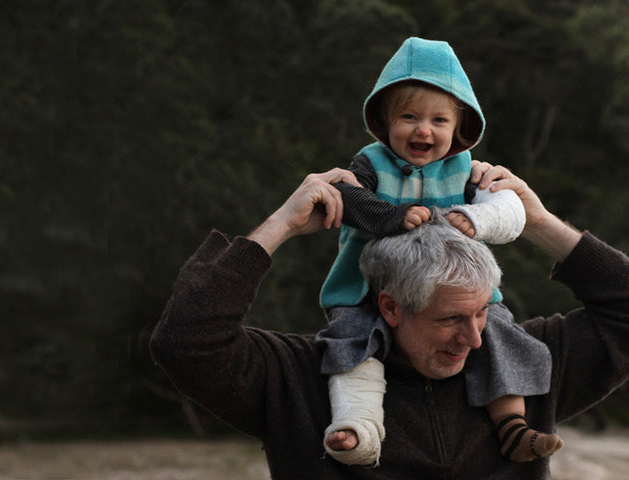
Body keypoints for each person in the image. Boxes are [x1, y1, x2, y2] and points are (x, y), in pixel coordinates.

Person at [148, 164, 629, 479]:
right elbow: (187, 343)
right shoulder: (302, 381)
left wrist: (537, 222)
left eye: (483, 312)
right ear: (390, 307)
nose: (475, 338)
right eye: (450, 319)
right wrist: (282, 225)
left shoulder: (524, 361)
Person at [318, 36, 557, 465]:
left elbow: (509, 209)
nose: (423, 130)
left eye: (439, 120)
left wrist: (479, 219)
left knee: (497, 332)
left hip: (453, 291)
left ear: (459, 128)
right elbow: (343, 195)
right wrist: (391, 217)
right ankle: (358, 427)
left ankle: (512, 425)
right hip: (367, 288)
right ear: (385, 121)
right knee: (352, 344)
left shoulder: (466, 170)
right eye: (409, 116)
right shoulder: (371, 164)